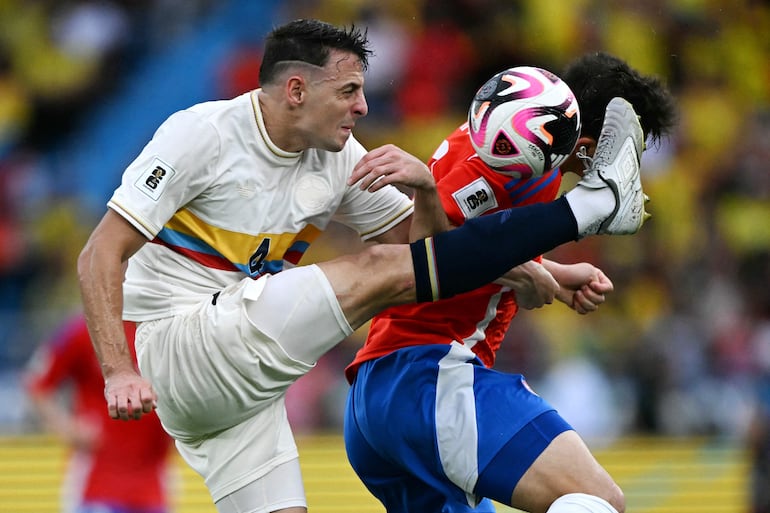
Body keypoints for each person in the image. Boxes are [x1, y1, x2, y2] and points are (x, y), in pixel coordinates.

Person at [76, 18, 649, 513]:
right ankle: (592, 205)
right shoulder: (201, 134)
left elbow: (431, 258)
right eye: (349, 90)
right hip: (178, 344)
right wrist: (118, 370)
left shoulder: (338, 159)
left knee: (392, 265)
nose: (363, 106)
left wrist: (433, 197)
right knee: (374, 267)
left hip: (233, 400)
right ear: (296, 89)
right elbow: (99, 253)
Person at [343, 52, 678, 513]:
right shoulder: (521, 163)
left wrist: (552, 276)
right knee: (595, 499)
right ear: (588, 144)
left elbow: (476, 242)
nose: (632, 165)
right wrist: (528, 270)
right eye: (627, 148)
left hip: (381, 392)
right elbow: (427, 256)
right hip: (425, 377)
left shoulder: (516, 142)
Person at [24, 314, 174, 513]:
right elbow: (37, 383)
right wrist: (68, 429)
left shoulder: (167, 329)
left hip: (153, 483)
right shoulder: (83, 330)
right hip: (96, 483)